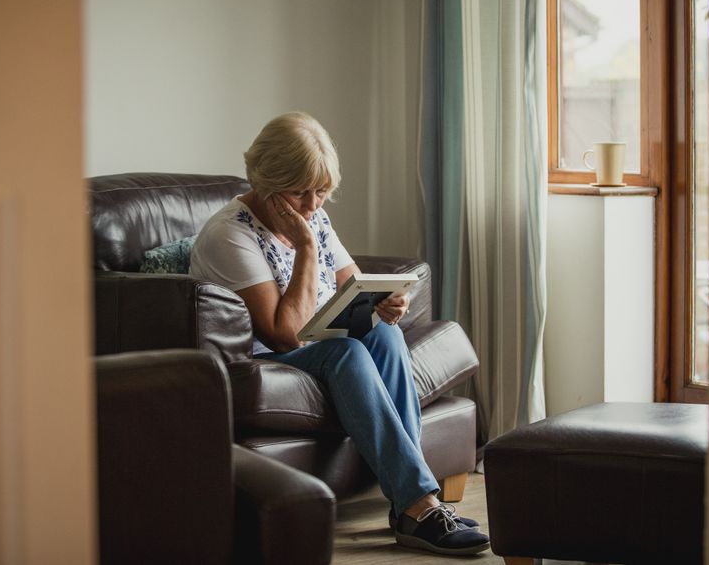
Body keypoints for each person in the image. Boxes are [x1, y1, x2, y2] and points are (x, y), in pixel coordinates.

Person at [189, 111, 490, 557]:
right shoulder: (230, 235)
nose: (313, 205)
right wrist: (307, 245)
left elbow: (353, 287)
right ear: (268, 185)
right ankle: (420, 504)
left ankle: (413, 507)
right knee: (345, 353)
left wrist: (387, 303)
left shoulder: (315, 217)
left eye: (322, 191)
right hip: (261, 359)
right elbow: (284, 334)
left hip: (318, 344)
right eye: (300, 192)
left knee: (385, 336)